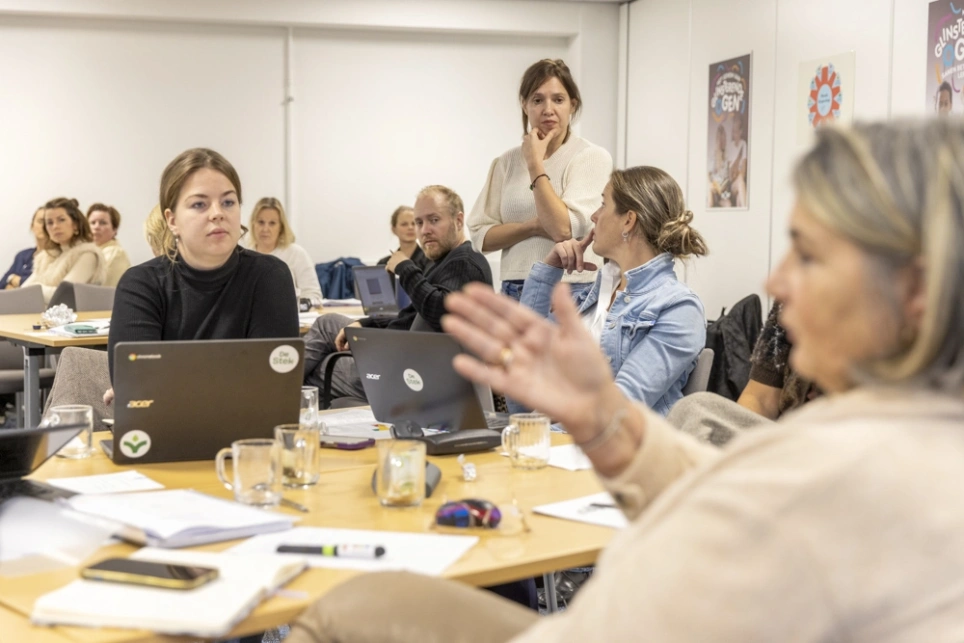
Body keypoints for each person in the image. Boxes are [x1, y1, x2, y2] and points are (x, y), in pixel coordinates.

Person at [286, 118, 964, 642]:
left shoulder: (832, 470)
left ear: (915, 291)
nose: (776, 281)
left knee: (347, 604)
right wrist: (609, 426)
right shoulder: (907, 436)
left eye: (809, 254)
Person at [519, 166, 707, 413]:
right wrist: (548, 271)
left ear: (628, 220)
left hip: (618, 447)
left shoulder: (680, 308)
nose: (594, 217)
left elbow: (619, 406)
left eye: (603, 205)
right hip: (554, 440)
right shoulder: (590, 298)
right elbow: (523, 358)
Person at [107, 148, 298, 386]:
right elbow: (138, 388)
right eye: (199, 204)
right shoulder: (141, 284)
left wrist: (170, 379)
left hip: (251, 424)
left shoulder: (270, 275)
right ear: (172, 220)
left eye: (228, 202)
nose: (218, 213)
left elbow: (272, 384)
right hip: (164, 425)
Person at [304, 185, 491, 402]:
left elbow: (441, 313)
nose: (424, 230)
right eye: (419, 222)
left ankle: (275, 397)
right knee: (328, 323)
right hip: (399, 353)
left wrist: (405, 268)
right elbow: (414, 315)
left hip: (403, 377)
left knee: (317, 368)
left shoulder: (464, 263)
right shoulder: (446, 262)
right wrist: (368, 324)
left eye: (434, 220)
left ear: (459, 221)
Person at [469, 59, 612, 301]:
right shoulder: (506, 162)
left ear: (572, 105)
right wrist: (532, 226)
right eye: (537, 100)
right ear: (524, 105)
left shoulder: (591, 157)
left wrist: (535, 163)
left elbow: (563, 228)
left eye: (558, 99)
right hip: (514, 287)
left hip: (568, 288)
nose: (548, 109)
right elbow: (480, 238)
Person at [668, 300, 821, 446]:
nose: (773, 284)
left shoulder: (680, 306)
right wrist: (739, 444)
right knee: (693, 408)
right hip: (782, 434)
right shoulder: (787, 304)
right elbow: (759, 397)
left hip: (822, 442)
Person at [22, 197, 106, 304]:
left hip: (74, 319)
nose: (55, 226)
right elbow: (22, 291)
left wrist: (35, 288)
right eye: (49, 222)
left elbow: (63, 296)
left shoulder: (88, 254)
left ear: (75, 224)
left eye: (61, 220)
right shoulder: (45, 257)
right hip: (41, 317)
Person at [248, 197, 324, 307]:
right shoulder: (243, 255)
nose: (265, 229)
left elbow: (314, 296)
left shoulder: (296, 253)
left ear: (281, 227)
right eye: (261, 222)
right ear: (253, 223)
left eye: (272, 223)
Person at [87, 203, 131, 287]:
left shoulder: (116, 253)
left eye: (103, 223)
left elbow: (97, 288)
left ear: (114, 229)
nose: (96, 227)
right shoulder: (89, 252)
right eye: (92, 223)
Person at [2, 207, 45, 289]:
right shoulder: (22, 255)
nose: (44, 226)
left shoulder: (56, 257)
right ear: (32, 226)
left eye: (49, 222)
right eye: (40, 221)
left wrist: (18, 280)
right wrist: (11, 279)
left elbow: (39, 286)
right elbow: (2, 283)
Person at [377, 205, 428, 272]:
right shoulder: (384, 263)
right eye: (404, 224)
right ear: (394, 229)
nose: (410, 227)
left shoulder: (429, 260)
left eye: (414, 223)